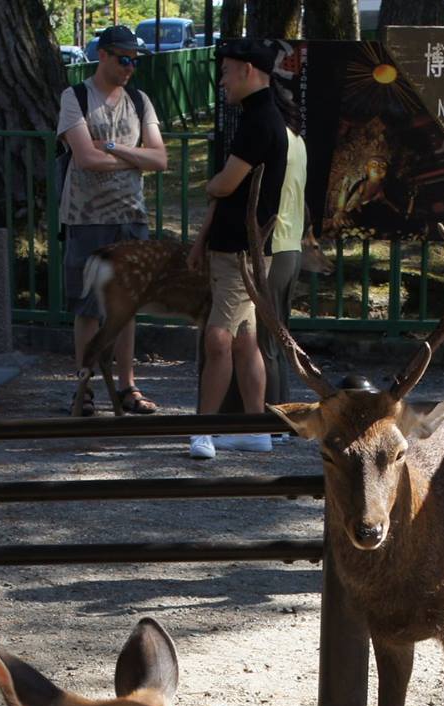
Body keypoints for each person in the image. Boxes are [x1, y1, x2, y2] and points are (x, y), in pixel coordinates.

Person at [58, 25, 169, 417]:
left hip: (131, 216)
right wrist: (133, 156)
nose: (129, 67)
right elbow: (84, 157)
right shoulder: (76, 97)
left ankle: (127, 385)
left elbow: (160, 159)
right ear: (102, 55)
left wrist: (115, 149)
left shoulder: (140, 101)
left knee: (128, 306)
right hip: (87, 218)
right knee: (88, 307)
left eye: (134, 61)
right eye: (123, 59)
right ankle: (84, 386)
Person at [186, 36, 288, 461]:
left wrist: (209, 184)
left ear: (248, 70)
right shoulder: (259, 115)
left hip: (239, 250)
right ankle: (255, 428)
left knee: (218, 338)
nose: (222, 80)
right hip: (242, 246)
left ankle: (205, 430)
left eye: (227, 70)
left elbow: (225, 184)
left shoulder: (259, 120)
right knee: (246, 340)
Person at [260, 82, 308, 408]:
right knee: (280, 337)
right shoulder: (298, 142)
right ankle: (283, 409)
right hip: (293, 246)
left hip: (274, 246)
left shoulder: (275, 141)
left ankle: (273, 414)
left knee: (266, 340)